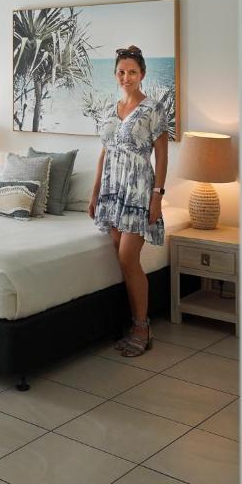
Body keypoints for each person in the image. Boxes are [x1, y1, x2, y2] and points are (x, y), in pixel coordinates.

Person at [88, 45, 168, 357]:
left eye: (132, 72)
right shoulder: (111, 109)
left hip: (137, 191)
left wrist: (157, 196)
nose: (126, 77)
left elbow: (162, 155)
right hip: (112, 191)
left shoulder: (153, 109)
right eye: (121, 72)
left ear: (142, 74)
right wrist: (95, 192)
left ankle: (141, 327)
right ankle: (134, 321)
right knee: (121, 258)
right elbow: (104, 153)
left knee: (127, 258)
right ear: (115, 75)